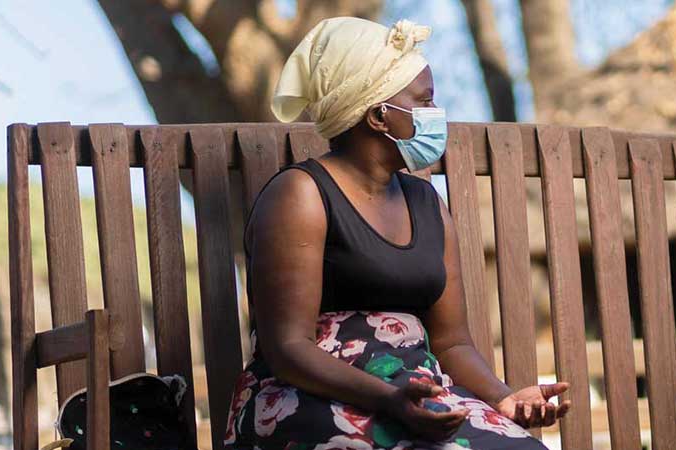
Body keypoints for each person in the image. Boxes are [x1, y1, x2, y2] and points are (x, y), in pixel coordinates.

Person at [227, 17, 565, 450]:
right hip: (309, 395)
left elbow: (451, 341)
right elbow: (288, 348)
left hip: (416, 393)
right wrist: (389, 399)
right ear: (379, 115)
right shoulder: (301, 195)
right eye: (424, 102)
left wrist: (504, 399)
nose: (434, 115)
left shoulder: (426, 203)